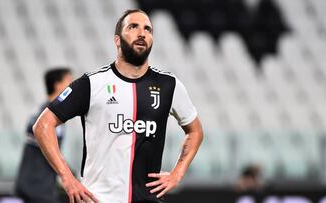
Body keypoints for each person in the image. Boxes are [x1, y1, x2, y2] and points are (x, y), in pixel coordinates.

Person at [33, 9, 203, 203]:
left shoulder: (169, 85)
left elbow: (195, 131)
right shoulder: (92, 83)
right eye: (133, 27)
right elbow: (43, 125)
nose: (142, 33)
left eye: (148, 29)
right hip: (99, 199)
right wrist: (66, 177)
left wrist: (177, 173)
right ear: (117, 39)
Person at [15, 68, 73, 203]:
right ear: (58, 85)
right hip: (37, 185)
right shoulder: (48, 116)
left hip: (35, 183)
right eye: (69, 81)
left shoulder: (43, 111)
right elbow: (47, 147)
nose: (72, 86)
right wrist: (70, 175)